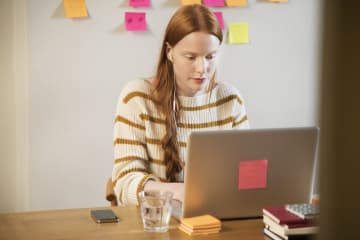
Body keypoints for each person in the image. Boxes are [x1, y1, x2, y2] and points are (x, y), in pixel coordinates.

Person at [112, 4, 249, 205]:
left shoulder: (231, 99)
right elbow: (124, 183)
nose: (202, 68)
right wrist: (177, 191)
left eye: (210, 57)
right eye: (191, 57)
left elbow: (245, 173)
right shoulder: (137, 97)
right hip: (157, 224)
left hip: (217, 221)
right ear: (170, 52)